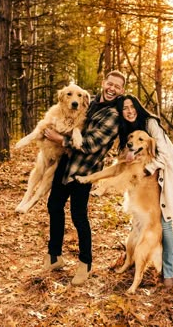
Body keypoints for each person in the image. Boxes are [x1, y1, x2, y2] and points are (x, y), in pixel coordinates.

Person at [43, 70, 126, 286]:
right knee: (54, 205)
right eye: (110, 83)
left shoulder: (113, 116)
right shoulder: (89, 101)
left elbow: (90, 145)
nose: (112, 88)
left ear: (122, 91)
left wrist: (60, 139)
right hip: (65, 162)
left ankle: (85, 263)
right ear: (103, 83)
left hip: (84, 170)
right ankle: (54, 257)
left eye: (117, 86)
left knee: (78, 215)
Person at [116, 94, 173, 289]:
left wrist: (146, 170)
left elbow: (163, 155)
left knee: (165, 224)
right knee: (140, 223)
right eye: (125, 108)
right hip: (150, 178)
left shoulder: (150, 123)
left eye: (132, 106)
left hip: (166, 173)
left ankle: (169, 273)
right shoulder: (129, 129)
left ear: (138, 107)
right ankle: (135, 259)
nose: (129, 111)